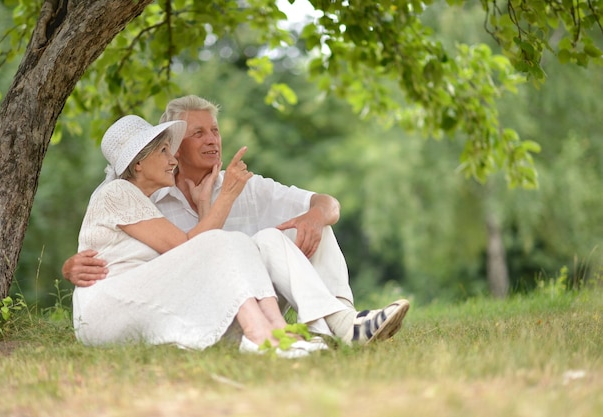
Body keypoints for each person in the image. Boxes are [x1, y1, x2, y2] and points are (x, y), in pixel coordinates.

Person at [63, 96, 410, 345]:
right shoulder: (144, 198)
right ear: (174, 149)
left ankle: (344, 321)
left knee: (293, 231)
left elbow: (326, 203)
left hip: (252, 298)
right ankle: (291, 333)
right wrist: (70, 268)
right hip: (193, 304)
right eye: (197, 134)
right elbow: (186, 252)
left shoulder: (247, 184)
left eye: (214, 130)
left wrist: (317, 216)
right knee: (243, 241)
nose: (212, 139)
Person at [72, 114, 328, 358]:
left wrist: (204, 205)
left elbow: (198, 251)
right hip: (105, 309)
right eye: (163, 151)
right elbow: (187, 247)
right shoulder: (118, 192)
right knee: (225, 241)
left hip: (133, 299)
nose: (173, 161)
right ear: (137, 163)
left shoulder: (142, 202)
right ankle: (258, 334)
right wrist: (227, 196)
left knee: (237, 240)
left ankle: (276, 330)